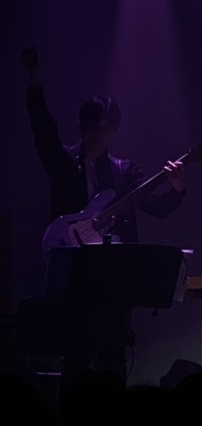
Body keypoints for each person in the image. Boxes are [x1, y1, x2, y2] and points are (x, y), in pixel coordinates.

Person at [20, 47, 187, 388]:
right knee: (76, 356)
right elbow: (42, 129)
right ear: (81, 127)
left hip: (114, 280)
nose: (99, 134)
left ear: (115, 131)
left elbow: (158, 208)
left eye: (107, 128)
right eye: (93, 127)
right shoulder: (63, 162)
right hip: (74, 274)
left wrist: (177, 188)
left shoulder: (125, 172)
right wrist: (34, 80)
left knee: (113, 358)